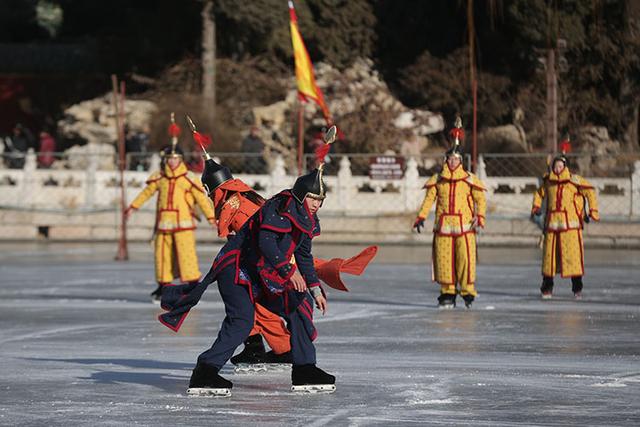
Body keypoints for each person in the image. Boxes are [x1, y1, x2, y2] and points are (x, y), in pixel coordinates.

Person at [159, 127, 341, 396]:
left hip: (262, 271)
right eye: (314, 198)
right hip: (236, 270)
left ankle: (304, 369)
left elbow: (302, 253)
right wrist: (287, 271)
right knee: (242, 321)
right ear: (303, 195)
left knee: (300, 303)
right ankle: (205, 371)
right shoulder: (278, 208)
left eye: (320, 200)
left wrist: (313, 286)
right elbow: (266, 241)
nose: (317, 205)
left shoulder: (304, 218)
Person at [189, 132, 376, 371]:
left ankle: (282, 349)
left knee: (265, 308)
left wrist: (297, 274)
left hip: (271, 263)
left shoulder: (235, 205)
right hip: (265, 263)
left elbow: (271, 241)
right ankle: (260, 346)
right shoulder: (238, 198)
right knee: (251, 310)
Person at [125, 115, 216, 302]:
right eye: (169, 159)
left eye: (175, 159)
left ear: (181, 160)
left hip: (183, 223)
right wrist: (133, 207)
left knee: (186, 254)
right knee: (162, 255)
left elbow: (201, 198)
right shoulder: (160, 177)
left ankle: (191, 285)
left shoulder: (188, 178)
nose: (172, 162)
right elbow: (147, 192)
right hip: (163, 224)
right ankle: (163, 286)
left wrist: (211, 217)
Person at [413, 117, 487, 309]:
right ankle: (447, 293)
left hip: (465, 228)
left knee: (465, 260)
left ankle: (467, 291)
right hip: (443, 227)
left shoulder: (470, 179)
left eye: (456, 159)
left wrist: (480, 217)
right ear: (446, 160)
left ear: (461, 161)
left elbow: (480, 200)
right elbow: (429, 199)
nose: (453, 162)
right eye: (450, 159)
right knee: (444, 261)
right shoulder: (438, 179)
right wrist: (421, 216)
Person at [531, 153, 599, 299]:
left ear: (565, 167)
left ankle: (577, 289)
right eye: (555, 166)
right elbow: (539, 193)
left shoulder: (574, 180)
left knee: (573, 260)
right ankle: (547, 288)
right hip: (551, 226)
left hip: (571, 227)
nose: (557, 168)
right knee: (549, 261)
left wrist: (592, 210)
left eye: (560, 166)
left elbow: (590, 191)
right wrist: (536, 207)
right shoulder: (548, 181)